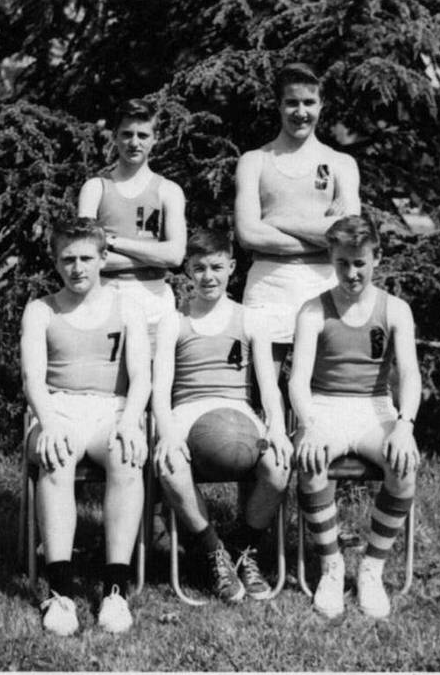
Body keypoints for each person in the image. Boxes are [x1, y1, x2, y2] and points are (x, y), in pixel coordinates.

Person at [19, 217, 151, 636]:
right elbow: (32, 379)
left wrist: (130, 421)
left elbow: (141, 376)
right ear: (55, 262)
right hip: (58, 408)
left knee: (126, 456)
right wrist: (49, 422)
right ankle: (60, 591)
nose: (77, 268)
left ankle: (115, 590)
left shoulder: (127, 306)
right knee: (56, 457)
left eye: (86, 258)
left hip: (110, 408)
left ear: (103, 258)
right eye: (68, 259)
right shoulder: (41, 309)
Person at [288, 215, 422, 620]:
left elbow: (410, 373)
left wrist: (404, 425)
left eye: (360, 262)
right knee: (310, 461)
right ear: (331, 259)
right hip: (325, 406)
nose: (351, 273)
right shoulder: (314, 309)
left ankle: (371, 568)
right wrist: (309, 425)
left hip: (373, 406)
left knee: (404, 464)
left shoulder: (395, 309)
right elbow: (298, 380)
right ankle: (331, 565)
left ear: (376, 258)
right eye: (342, 263)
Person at [150, 230, 294, 602]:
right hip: (187, 410)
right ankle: (213, 550)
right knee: (169, 464)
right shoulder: (174, 321)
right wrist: (168, 433)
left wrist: (278, 428)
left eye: (216, 267)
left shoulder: (250, 319)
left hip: (238, 409)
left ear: (231, 266)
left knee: (279, 465)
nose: (208, 276)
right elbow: (160, 390)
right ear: (187, 270)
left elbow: (269, 387)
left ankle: (243, 548)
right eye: (199, 268)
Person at [234, 63, 361, 373]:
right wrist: (324, 237)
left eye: (309, 102)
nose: (301, 112)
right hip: (269, 283)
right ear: (278, 105)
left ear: (321, 105)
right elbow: (249, 234)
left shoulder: (341, 163)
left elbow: (348, 235)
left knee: (326, 386)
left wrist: (277, 221)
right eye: (292, 102)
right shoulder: (254, 161)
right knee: (262, 386)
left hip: (325, 283)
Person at [79, 99, 186, 345]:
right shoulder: (95, 188)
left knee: (153, 367)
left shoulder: (168, 191)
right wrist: (153, 256)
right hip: (105, 294)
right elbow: (85, 256)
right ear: (115, 136)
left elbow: (175, 256)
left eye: (143, 135)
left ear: (155, 138)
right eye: (127, 134)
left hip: (153, 297)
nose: (134, 143)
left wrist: (112, 242)